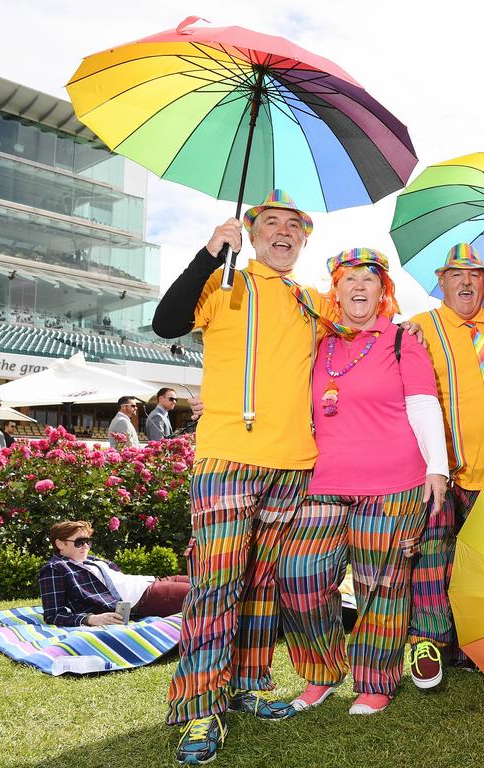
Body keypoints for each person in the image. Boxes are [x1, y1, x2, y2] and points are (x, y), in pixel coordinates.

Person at [151, 189, 332, 762]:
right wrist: (209, 253)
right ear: (251, 233)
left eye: (293, 226)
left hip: (292, 463)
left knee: (261, 584)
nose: (282, 232)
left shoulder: (313, 300)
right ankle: (201, 709)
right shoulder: (223, 281)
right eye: (269, 223)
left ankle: (248, 685)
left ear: (305, 238)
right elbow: (165, 322)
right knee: (218, 584)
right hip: (228, 456)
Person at [285, 248, 448, 716]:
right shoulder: (318, 340)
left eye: (369, 279)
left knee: (381, 586)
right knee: (300, 577)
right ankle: (321, 673)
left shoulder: (403, 340)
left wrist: (437, 465)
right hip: (324, 481)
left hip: (395, 483)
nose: (358, 286)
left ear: (384, 291)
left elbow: (422, 404)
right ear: (334, 289)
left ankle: (376, 681)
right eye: (348, 278)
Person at [406, 243, 484, 690]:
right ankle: (428, 642)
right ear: (442, 279)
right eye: (456, 274)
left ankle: (476, 642)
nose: (466, 282)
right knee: (434, 557)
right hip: (442, 469)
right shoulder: (418, 327)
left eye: (474, 275)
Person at [39, 520, 189, 626]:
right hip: (144, 597)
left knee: (205, 579)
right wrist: (89, 619)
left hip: (153, 582)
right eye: (79, 542)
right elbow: (53, 614)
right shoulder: (55, 568)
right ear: (60, 544)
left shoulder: (88, 560)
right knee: (204, 593)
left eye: (88, 541)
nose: (86, 546)